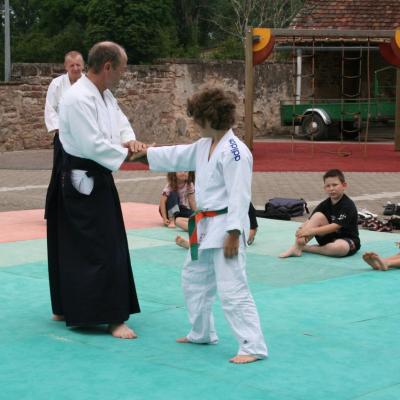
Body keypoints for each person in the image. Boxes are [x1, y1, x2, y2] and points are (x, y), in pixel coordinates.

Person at [131, 87, 268, 364]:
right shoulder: (205, 145)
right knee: (193, 280)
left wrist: (234, 233)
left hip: (226, 226)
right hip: (205, 226)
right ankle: (201, 332)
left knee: (232, 288)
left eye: (196, 119)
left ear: (209, 118)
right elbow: (176, 155)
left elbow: (240, 196)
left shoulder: (236, 152)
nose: (194, 124)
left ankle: (252, 345)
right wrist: (145, 154)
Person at [46, 41, 145, 339]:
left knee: (91, 244)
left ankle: (70, 305)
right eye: (123, 68)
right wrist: (127, 154)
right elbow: (91, 144)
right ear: (107, 67)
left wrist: (131, 140)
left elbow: (121, 123)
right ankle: (111, 317)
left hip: (95, 174)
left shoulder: (105, 94)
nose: (123, 74)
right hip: (82, 176)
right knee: (102, 245)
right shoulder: (77, 99)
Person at [280, 169, 360, 258]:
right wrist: (301, 230)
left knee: (339, 248)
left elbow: (335, 226)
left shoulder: (348, 205)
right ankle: (297, 248)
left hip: (347, 240)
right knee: (318, 216)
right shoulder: (325, 204)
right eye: (328, 186)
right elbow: (310, 221)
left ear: (344, 185)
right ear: (324, 188)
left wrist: (310, 231)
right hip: (328, 238)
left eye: (335, 185)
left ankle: (307, 248)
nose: (331, 188)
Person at [44, 51, 85, 219]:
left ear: (83, 66)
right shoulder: (57, 84)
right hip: (63, 136)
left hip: (84, 136)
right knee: (60, 171)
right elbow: (50, 108)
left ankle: (79, 209)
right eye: (72, 65)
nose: (75, 68)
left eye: (78, 65)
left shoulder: (89, 84)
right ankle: (54, 211)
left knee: (81, 172)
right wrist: (60, 129)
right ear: (66, 66)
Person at [176, 202, 258, 248]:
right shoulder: (220, 202)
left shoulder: (246, 203)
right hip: (218, 226)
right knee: (178, 220)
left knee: (218, 237)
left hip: (240, 232)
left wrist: (243, 239)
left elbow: (253, 229)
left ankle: (195, 244)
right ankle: (197, 241)